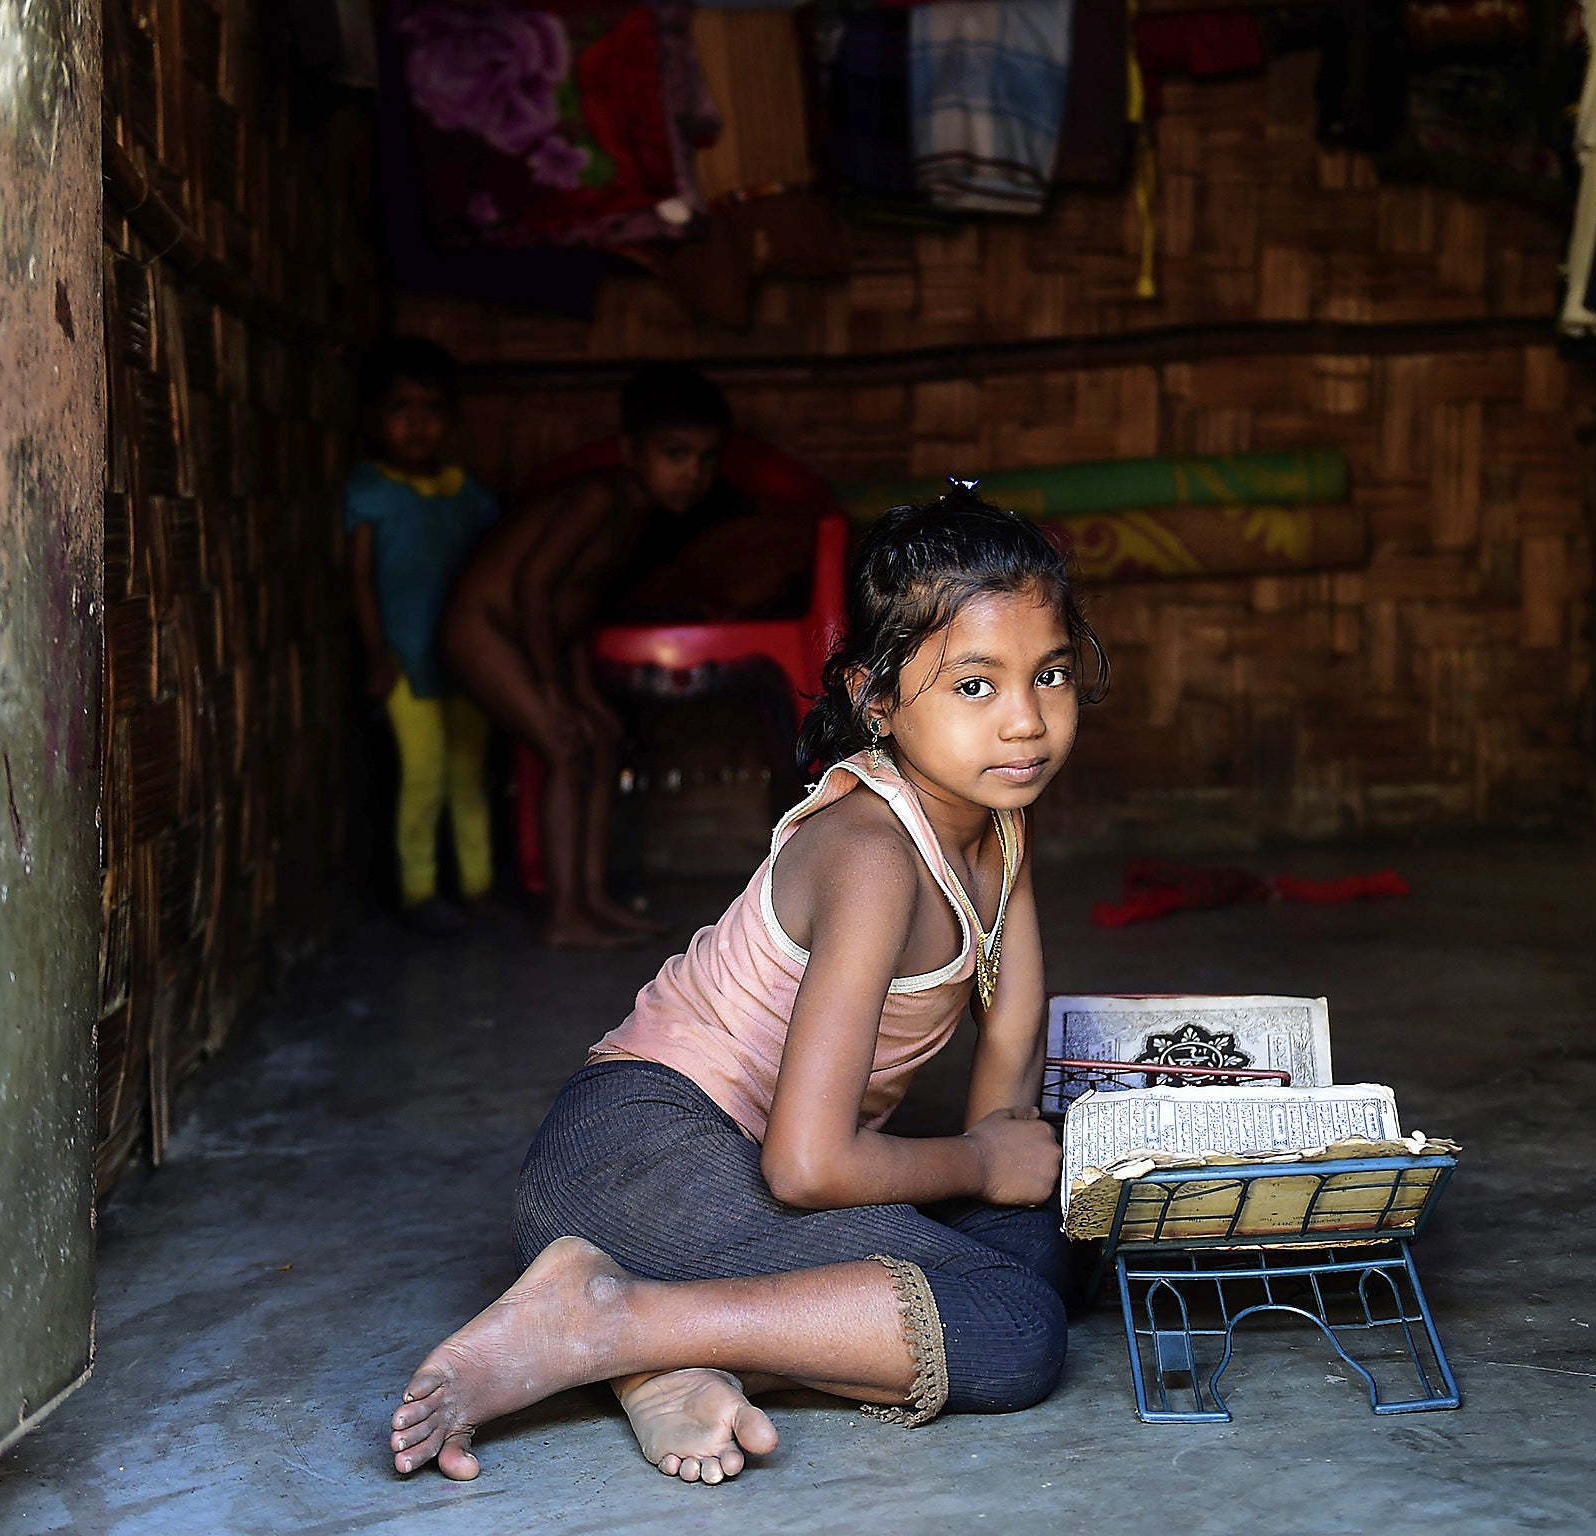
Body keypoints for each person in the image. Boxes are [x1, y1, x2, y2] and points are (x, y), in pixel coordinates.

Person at [388, 486, 1110, 1484]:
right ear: (874, 696)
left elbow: (1008, 1050)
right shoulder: (869, 850)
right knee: (1016, 1329)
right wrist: (983, 1165)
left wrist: (1004, 1169)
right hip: (637, 1161)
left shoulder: (996, 824)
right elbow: (807, 1168)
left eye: (1051, 673)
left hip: (724, 1174)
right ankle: (606, 1323)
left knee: (1046, 1248)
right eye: (974, 685)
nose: (1026, 720)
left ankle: (670, 1358)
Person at [441, 363, 740, 948]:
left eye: (705, 459)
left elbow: (575, 608)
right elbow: (532, 587)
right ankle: (563, 916)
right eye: (675, 454)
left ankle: (593, 898)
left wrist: (581, 693)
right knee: (565, 742)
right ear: (631, 450)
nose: (691, 474)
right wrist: (555, 694)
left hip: (531, 638)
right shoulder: (599, 497)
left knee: (599, 738)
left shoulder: (639, 513)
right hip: (481, 627)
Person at [345, 337, 500, 936]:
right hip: (404, 661)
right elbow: (359, 579)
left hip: (464, 661)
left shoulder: (471, 496)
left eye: (431, 409)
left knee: (469, 774)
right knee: (424, 773)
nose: (416, 424)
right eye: (399, 408)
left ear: (451, 420)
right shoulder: (370, 489)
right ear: (373, 419)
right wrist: (375, 654)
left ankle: (479, 887)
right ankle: (419, 891)